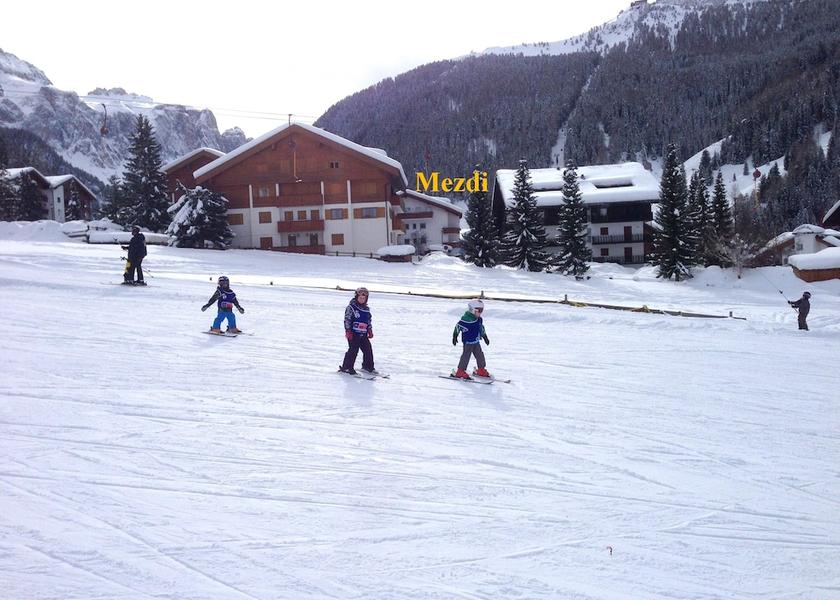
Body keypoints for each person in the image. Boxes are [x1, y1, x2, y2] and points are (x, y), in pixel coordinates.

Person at [339, 287, 377, 375]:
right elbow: (347, 319)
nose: (362, 299)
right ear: (356, 297)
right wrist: (348, 331)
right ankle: (347, 367)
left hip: (363, 334)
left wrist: (370, 330)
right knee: (353, 350)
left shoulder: (366, 309)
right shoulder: (351, 307)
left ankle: (368, 366)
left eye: (364, 298)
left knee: (368, 350)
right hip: (353, 333)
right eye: (360, 297)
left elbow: (368, 320)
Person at [452, 299, 491, 380]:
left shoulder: (479, 319)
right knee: (466, 356)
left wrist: (485, 336)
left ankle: (481, 370)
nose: (481, 313)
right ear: (472, 310)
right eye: (479, 311)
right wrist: (455, 336)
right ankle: (460, 371)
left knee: (480, 355)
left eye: (482, 310)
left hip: (476, 341)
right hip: (468, 342)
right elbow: (457, 327)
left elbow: (481, 328)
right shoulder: (466, 320)